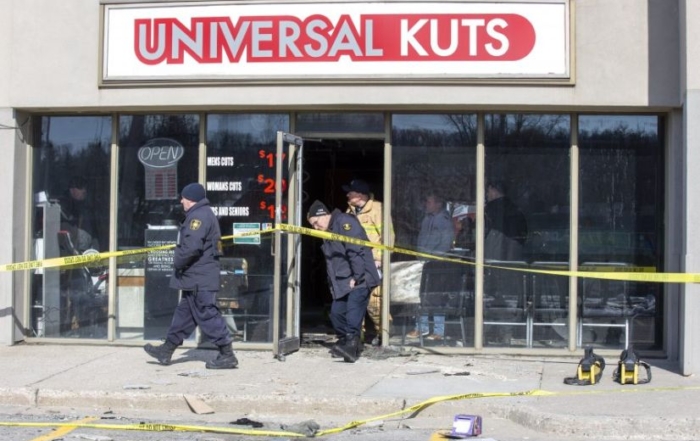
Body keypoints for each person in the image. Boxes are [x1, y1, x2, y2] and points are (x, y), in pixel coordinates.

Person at [144, 183, 238, 369]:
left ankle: (227, 354)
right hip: (196, 277)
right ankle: (167, 350)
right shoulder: (202, 214)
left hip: (198, 277)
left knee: (207, 314)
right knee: (184, 315)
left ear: (191, 199)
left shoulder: (198, 216)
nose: (182, 201)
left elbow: (191, 247)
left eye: (184, 198)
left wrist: (177, 262)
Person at [307, 200, 381, 363]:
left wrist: (358, 276)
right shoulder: (329, 230)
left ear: (324, 215)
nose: (315, 228)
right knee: (337, 313)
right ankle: (345, 342)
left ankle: (352, 347)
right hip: (344, 281)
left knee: (354, 313)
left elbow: (355, 250)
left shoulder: (344, 223)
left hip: (360, 277)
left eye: (315, 223)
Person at [343, 179, 395, 346]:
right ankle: (357, 337)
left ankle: (385, 334)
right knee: (355, 301)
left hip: (373, 263)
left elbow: (388, 236)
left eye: (350, 192)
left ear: (359, 194)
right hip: (354, 263)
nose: (347, 194)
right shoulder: (349, 212)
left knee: (375, 301)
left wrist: (379, 258)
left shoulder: (378, 209)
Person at [408, 192, 455, 341]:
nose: (426, 205)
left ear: (438, 204)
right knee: (422, 296)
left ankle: (438, 331)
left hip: (436, 264)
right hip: (423, 262)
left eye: (429, 202)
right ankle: (421, 327)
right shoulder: (426, 219)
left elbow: (445, 243)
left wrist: (433, 258)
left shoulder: (444, 221)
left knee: (436, 297)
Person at [484, 180, 528, 261]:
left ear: (494, 190)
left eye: (488, 191)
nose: (486, 195)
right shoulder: (516, 211)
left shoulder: (493, 211)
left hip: (495, 259)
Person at [59, 176, 99, 252]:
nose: (84, 191)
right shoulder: (65, 205)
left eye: (84, 188)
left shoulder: (87, 208)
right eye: (79, 187)